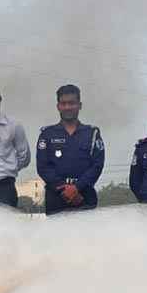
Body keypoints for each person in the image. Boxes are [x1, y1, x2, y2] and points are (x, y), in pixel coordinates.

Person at [35, 84, 104, 215]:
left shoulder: (92, 133)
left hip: (84, 196)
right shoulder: (47, 134)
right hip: (56, 197)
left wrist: (77, 188)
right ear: (58, 106)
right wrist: (64, 190)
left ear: (80, 105)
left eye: (71, 103)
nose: (67, 107)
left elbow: (97, 165)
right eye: (63, 103)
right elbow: (43, 167)